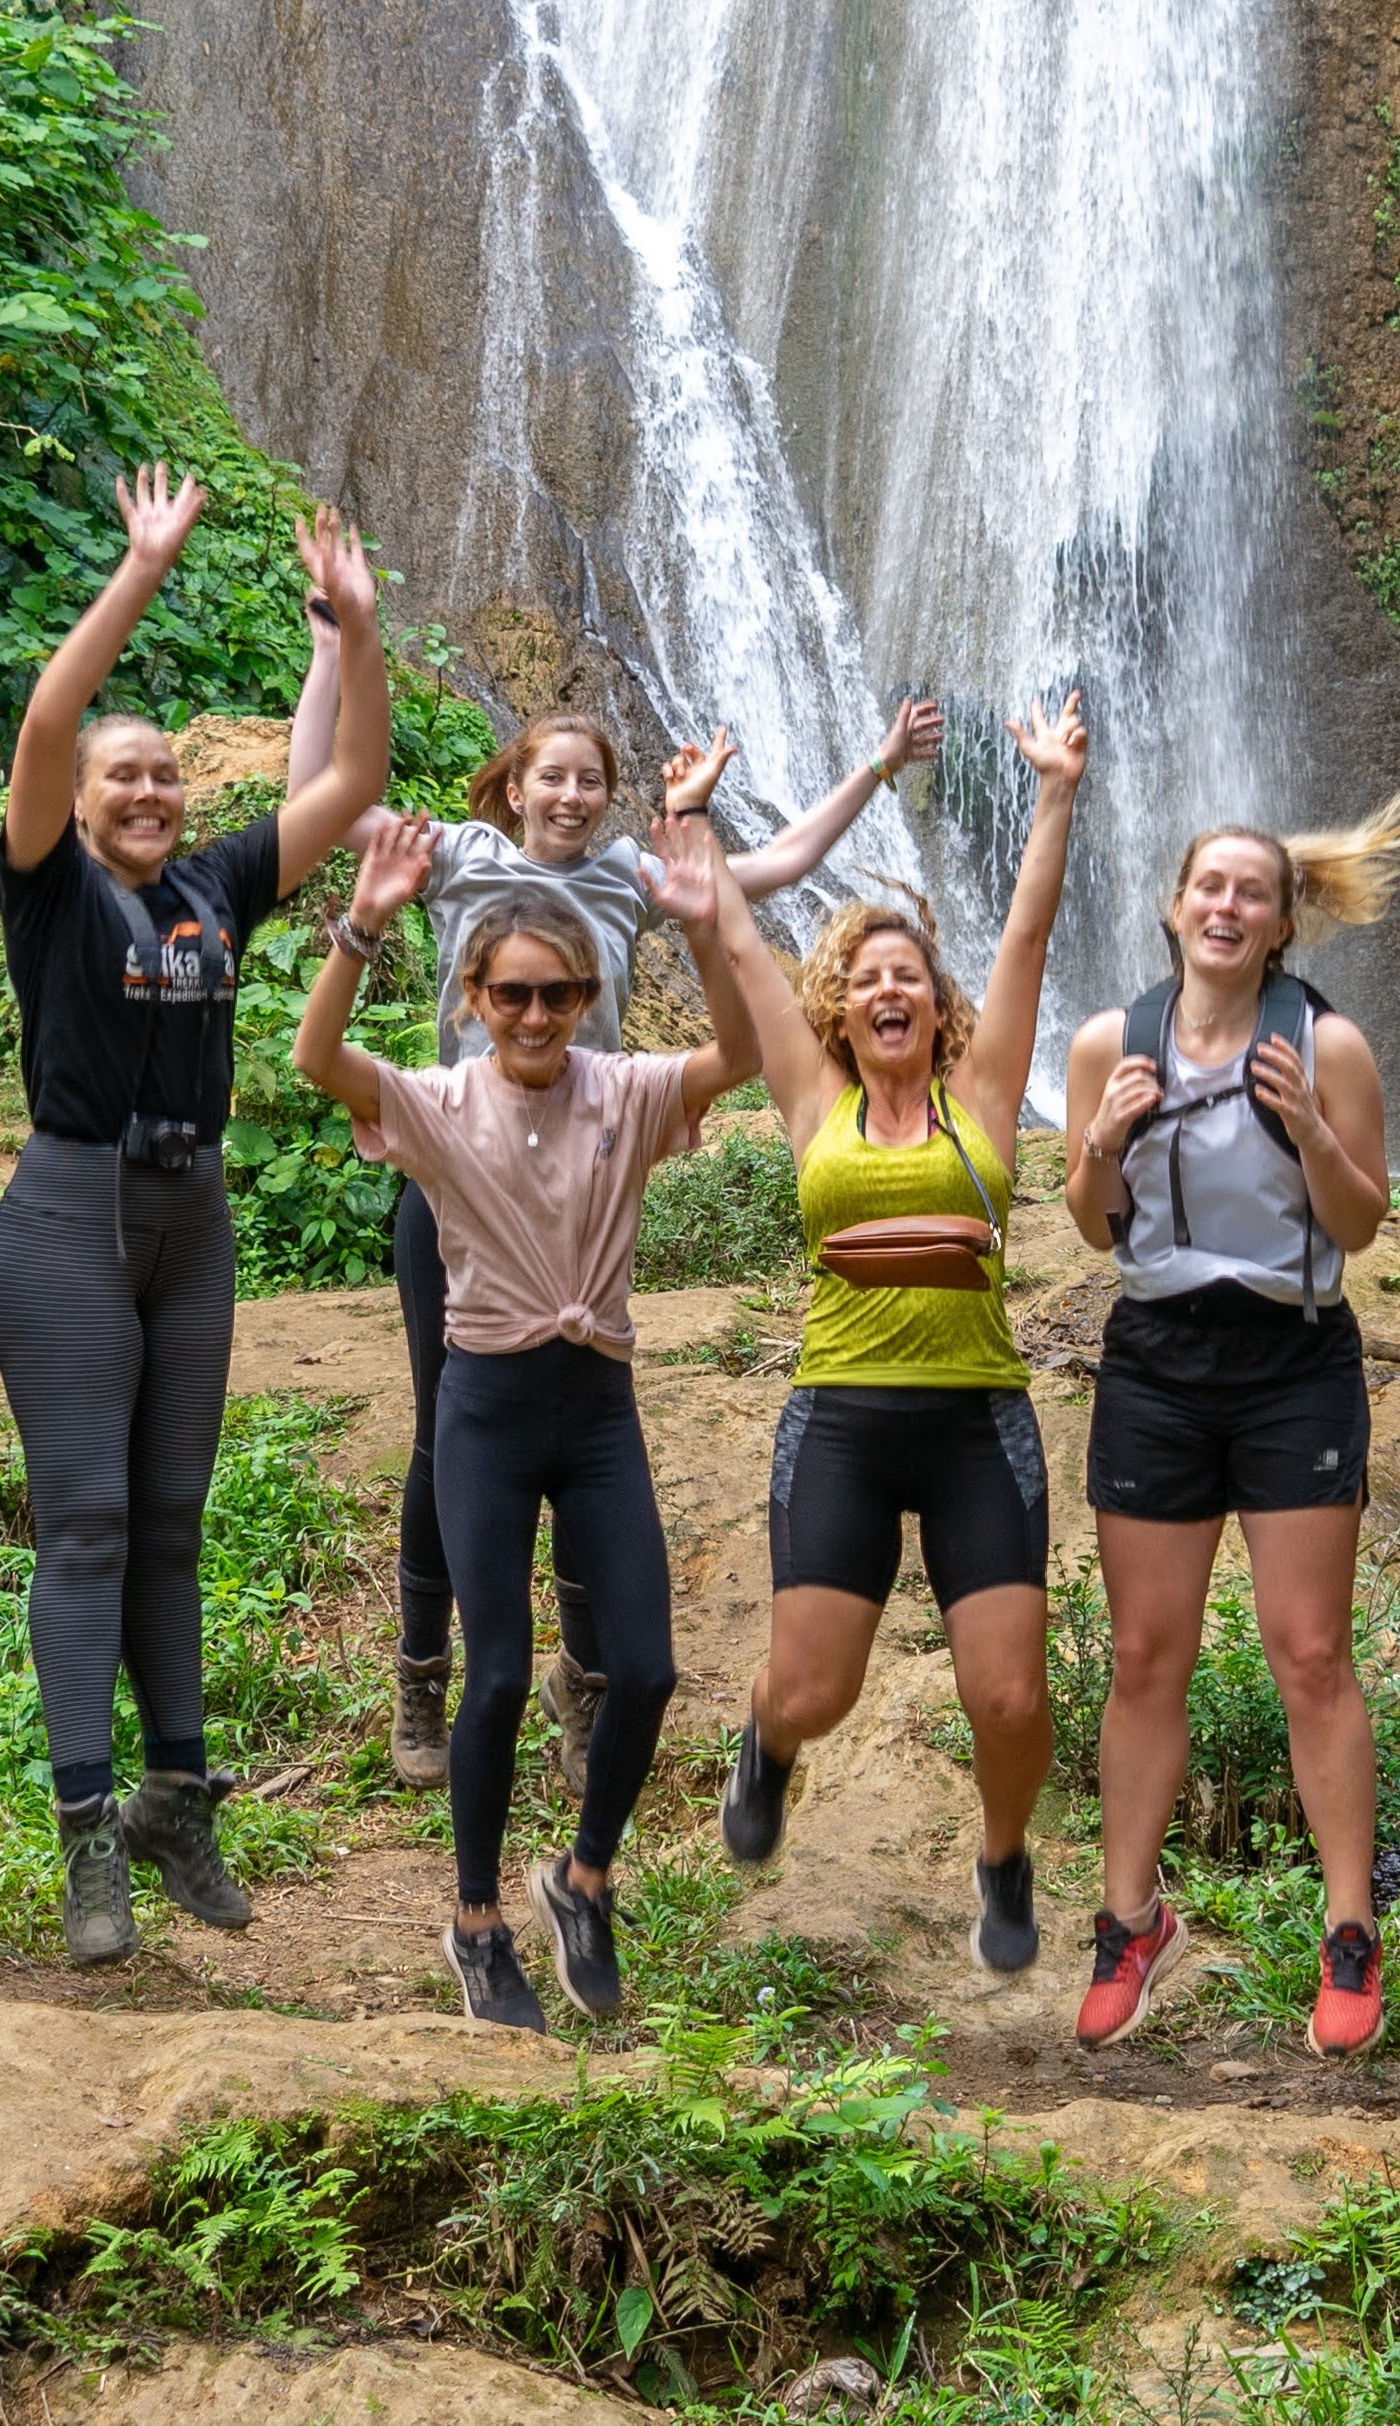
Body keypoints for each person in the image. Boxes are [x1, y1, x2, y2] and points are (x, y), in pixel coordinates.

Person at [285, 616, 942, 1799]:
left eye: (592, 779)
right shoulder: (460, 857)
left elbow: (782, 863)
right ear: (515, 783)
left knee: (587, 1428)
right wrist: (330, 651)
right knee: (448, 1426)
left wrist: (878, 766)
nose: (574, 795)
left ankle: (585, 1680)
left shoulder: (628, 881)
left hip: (585, 1191)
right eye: (554, 775)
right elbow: (315, 806)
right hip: (462, 1178)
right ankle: (422, 1671)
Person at [0, 465, 392, 1963]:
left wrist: (355, 628)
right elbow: (44, 720)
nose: (149, 791)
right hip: (67, 1211)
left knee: (170, 1518)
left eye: (164, 774)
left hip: (192, 1215)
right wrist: (143, 567)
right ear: (81, 803)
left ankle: (175, 1797)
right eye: (123, 777)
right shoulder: (49, 887)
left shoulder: (217, 886)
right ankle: (87, 1829)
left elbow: (351, 782)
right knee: (86, 1522)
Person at [289, 760, 761, 2026]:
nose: (537, 1014)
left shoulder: (629, 1086)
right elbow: (316, 1053)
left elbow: (744, 1051)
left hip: (596, 1410)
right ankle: (474, 1919)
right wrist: (364, 921)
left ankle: (582, 1877)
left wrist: (710, 922)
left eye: (558, 993)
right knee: (493, 1677)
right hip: (486, 1412)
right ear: (475, 1000)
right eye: (512, 995)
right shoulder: (437, 1105)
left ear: (587, 997)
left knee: (649, 1670)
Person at [703, 698, 1091, 1982]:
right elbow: (744, 951)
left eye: (908, 974)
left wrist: (1052, 792)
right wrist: (691, 818)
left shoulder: (981, 1095)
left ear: (935, 1003)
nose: (888, 986)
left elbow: (1028, 932)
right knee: (815, 1691)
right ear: (842, 1002)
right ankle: (763, 1746)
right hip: (845, 1419)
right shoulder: (809, 1096)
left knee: (1010, 1700)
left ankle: (1000, 1852)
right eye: (867, 975)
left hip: (975, 1412)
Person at [1060, 794, 1400, 2055]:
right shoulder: (1110, 1040)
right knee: (1146, 1652)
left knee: (1308, 1650)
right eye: (1207, 887)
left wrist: (1309, 1126)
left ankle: (1349, 1928)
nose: (1225, 907)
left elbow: (1360, 1225)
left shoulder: (1331, 1045)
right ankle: (1126, 1918)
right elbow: (1089, 1219)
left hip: (1289, 1355)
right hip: (1155, 1352)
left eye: (1250, 893)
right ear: (1172, 905)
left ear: (1281, 921)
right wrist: (1099, 1138)